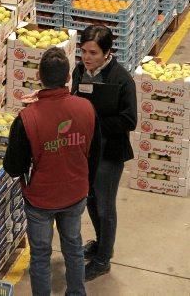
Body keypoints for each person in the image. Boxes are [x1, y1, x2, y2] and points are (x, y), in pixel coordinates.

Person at [4, 47, 101, 296]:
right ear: (68, 77)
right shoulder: (87, 109)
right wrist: (84, 182)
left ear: (39, 77)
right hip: (75, 193)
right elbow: (95, 154)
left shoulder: (26, 118)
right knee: (73, 246)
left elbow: (12, 167)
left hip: (40, 200)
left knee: (40, 256)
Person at [71, 25, 137, 281]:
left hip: (109, 153)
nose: (87, 57)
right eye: (84, 51)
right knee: (90, 200)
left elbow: (129, 120)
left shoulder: (121, 80)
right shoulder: (79, 71)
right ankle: (100, 244)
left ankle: (103, 259)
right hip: (85, 150)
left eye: (93, 53)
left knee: (106, 206)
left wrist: (94, 123)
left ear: (107, 53)